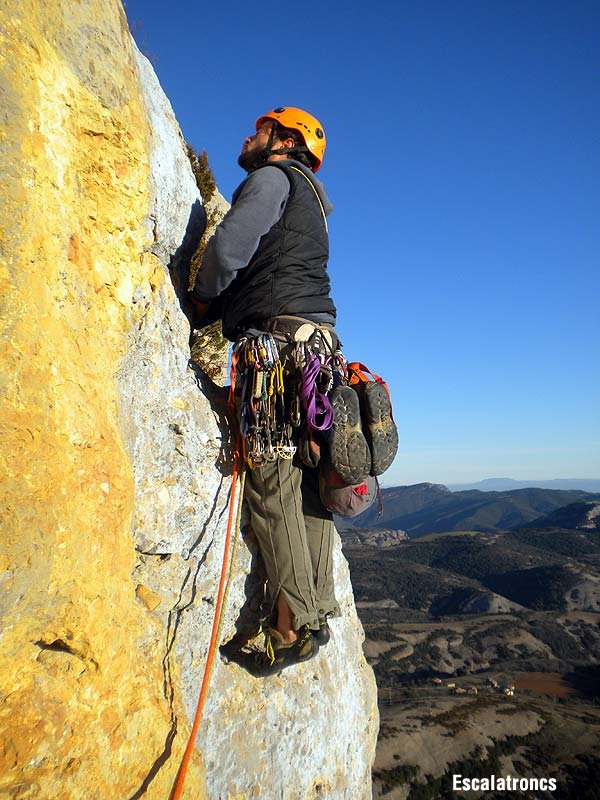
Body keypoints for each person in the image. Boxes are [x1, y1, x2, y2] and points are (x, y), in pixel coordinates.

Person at [189, 107, 342, 677]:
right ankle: (316, 608)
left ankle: (291, 624)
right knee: (308, 484)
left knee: (274, 483)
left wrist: (203, 300)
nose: (247, 136)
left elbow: (231, 245)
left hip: (278, 353)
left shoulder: (272, 179)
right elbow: (268, 267)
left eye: (259, 129)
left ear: (283, 140)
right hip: (318, 353)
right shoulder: (312, 204)